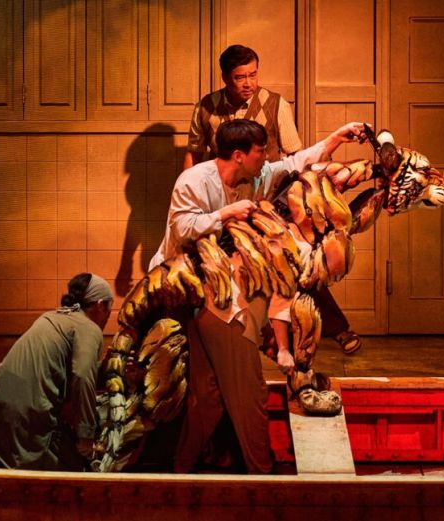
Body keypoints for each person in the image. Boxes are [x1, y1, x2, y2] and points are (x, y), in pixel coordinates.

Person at [151, 118, 365, 474]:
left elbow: (295, 162)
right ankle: (261, 474)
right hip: (192, 291)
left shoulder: (258, 180)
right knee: (245, 395)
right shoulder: (195, 181)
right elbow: (183, 228)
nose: (266, 157)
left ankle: (180, 469)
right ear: (239, 155)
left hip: (213, 301)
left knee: (208, 395)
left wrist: (335, 139)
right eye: (260, 151)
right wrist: (225, 213)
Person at [185, 43, 362, 355]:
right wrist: (191, 194)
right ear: (225, 77)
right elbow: (195, 153)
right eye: (240, 77)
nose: (249, 83)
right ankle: (230, 337)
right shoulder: (207, 107)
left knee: (295, 262)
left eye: (253, 75)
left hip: (270, 200)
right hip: (225, 203)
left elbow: (295, 157)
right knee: (221, 268)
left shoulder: (275, 104)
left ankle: (337, 328)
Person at [0, 273, 113, 471]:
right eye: (109, 307)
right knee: (75, 471)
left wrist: (105, 368)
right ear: (100, 305)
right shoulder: (89, 328)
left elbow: (68, 370)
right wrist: (86, 436)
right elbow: (82, 377)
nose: (109, 315)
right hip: (29, 412)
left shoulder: (51, 316)